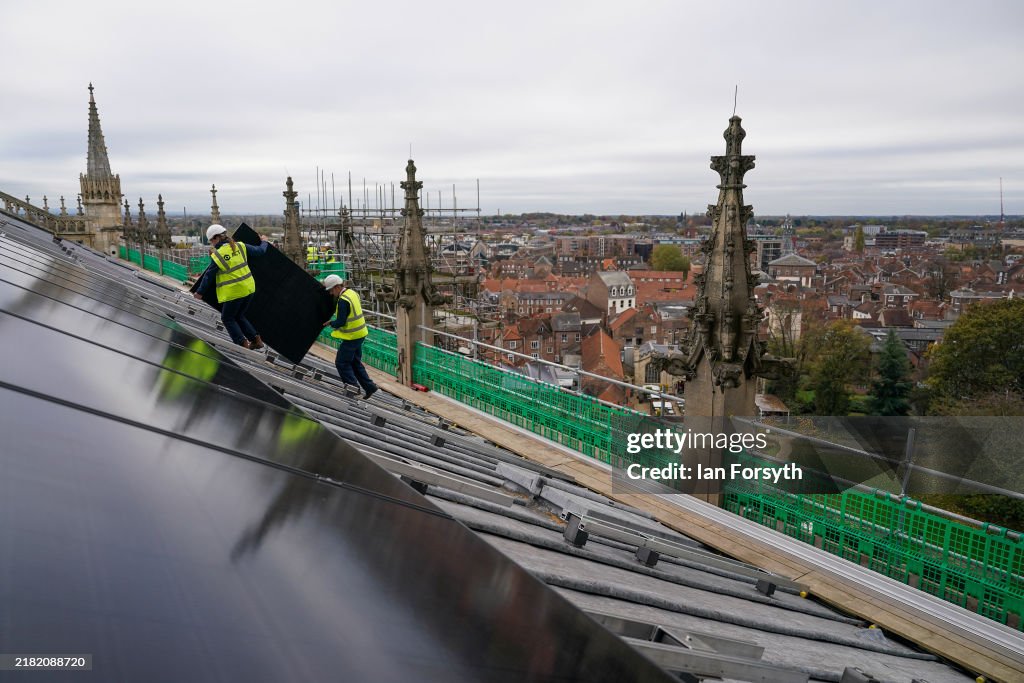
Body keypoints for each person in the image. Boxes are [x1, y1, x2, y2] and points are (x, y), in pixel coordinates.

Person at [193, 224, 269, 349]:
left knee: (227, 318)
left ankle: (242, 344)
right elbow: (260, 251)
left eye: (212, 240)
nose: (211, 243)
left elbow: (209, 276)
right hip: (249, 288)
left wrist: (199, 292)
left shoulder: (218, 255)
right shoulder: (240, 246)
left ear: (217, 238)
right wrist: (264, 242)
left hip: (234, 292)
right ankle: (256, 340)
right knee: (238, 316)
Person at [323, 274, 378, 400]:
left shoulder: (343, 301)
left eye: (331, 290)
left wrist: (331, 323)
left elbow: (341, 322)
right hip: (360, 333)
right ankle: (370, 387)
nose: (331, 293)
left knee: (341, 363)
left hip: (352, 337)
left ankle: (353, 388)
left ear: (337, 287)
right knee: (354, 362)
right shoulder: (352, 293)